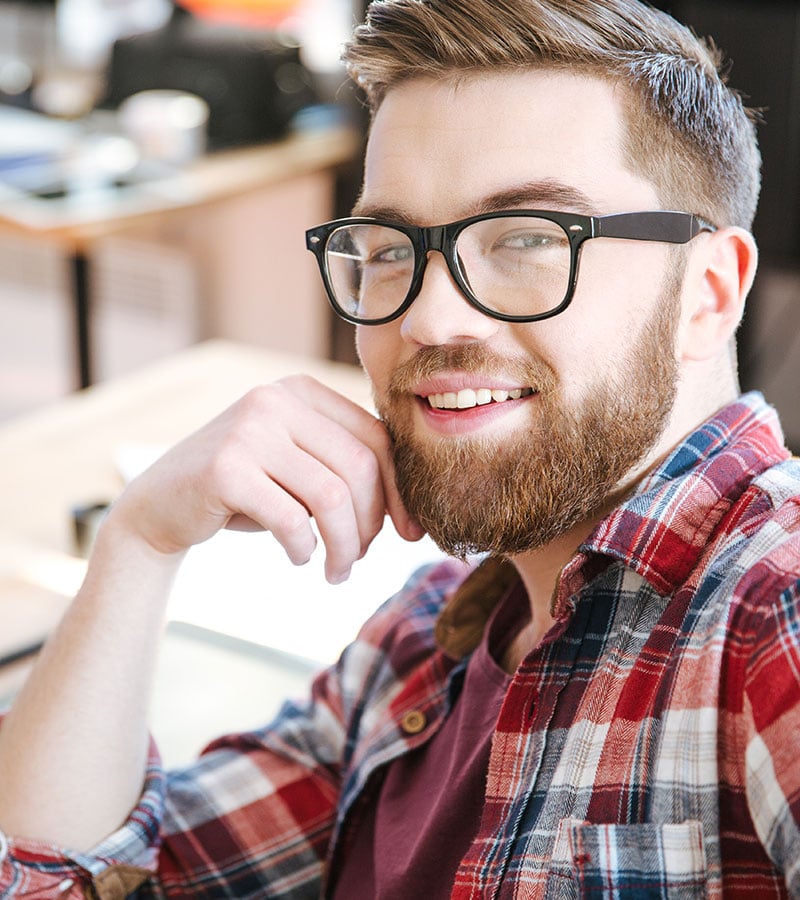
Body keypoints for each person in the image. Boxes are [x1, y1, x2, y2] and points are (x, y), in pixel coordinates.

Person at [1, 0, 798, 896]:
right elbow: (69, 882)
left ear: (709, 291)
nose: (428, 318)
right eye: (389, 249)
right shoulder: (429, 635)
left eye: (528, 239)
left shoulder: (774, 616)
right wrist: (138, 541)